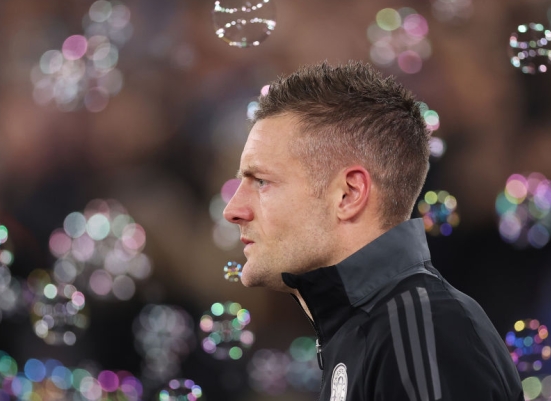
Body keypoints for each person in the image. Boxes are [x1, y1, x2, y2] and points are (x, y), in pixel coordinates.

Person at [223, 61, 523, 401]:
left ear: (349, 194)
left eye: (261, 181)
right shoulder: (378, 329)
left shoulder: (419, 331)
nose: (233, 210)